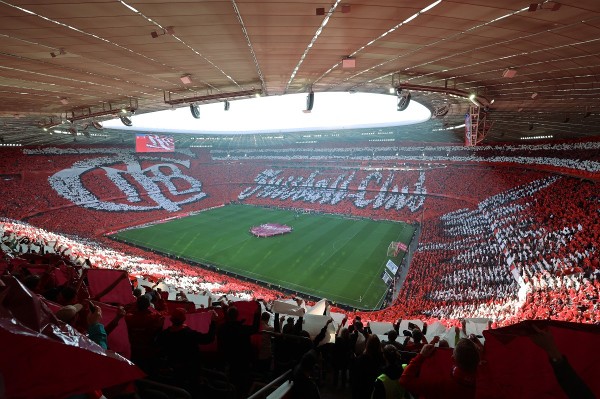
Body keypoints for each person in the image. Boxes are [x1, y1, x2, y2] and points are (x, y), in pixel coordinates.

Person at [400, 338, 479, 399]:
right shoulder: (484, 383)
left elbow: (404, 380)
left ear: (453, 359)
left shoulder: (437, 383)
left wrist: (421, 356)